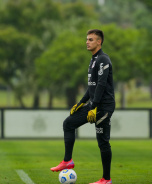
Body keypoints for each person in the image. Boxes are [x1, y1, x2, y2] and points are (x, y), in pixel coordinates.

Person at [50, 29, 115, 184]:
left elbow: (101, 84)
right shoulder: (93, 60)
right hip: (94, 105)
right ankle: (67, 161)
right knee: (69, 123)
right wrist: (81, 103)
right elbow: (91, 87)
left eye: (91, 39)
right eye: (87, 39)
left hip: (104, 107)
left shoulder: (103, 59)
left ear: (99, 42)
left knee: (103, 142)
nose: (87, 42)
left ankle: (106, 179)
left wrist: (94, 106)